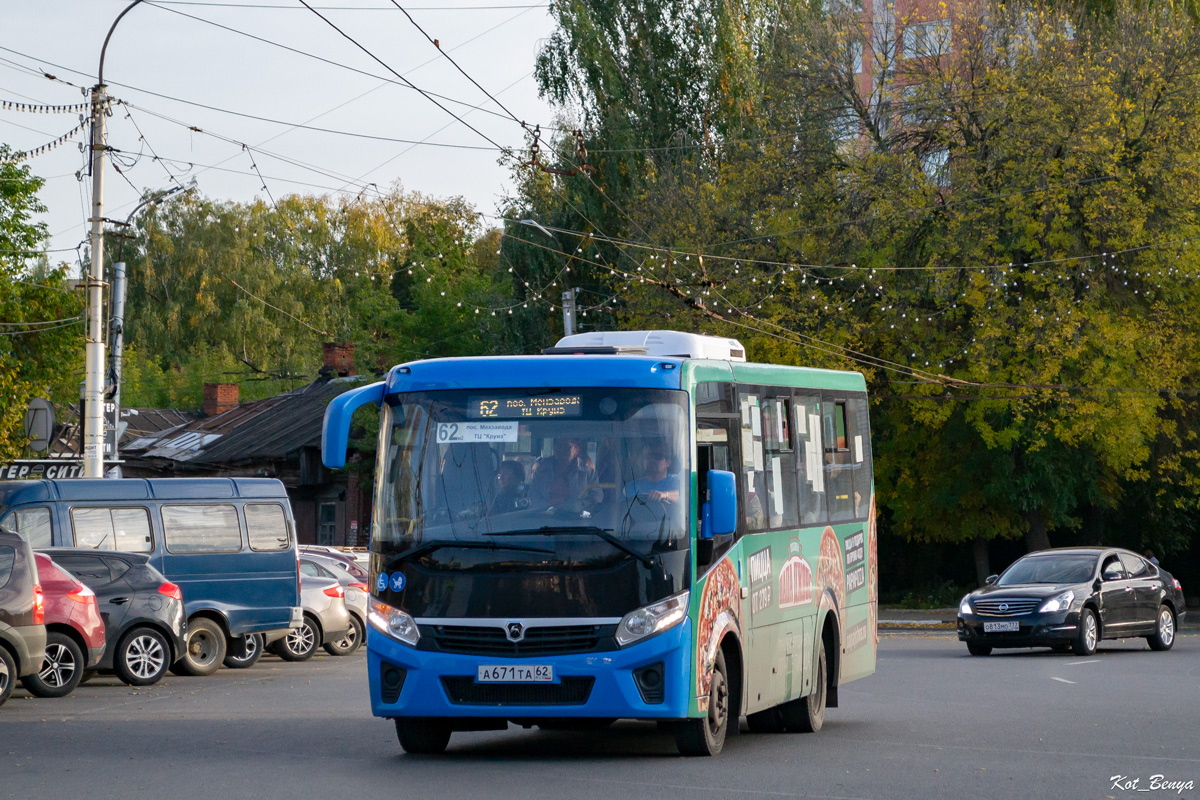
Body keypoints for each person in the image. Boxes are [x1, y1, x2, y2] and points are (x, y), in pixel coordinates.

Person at [528, 438, 599, 509]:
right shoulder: (542, 470)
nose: (562, 450)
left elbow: (596, 499)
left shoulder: (589, 474)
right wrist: (548, 510)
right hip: (543, 517)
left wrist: (575, 507)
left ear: (576, 450)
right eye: (558, 446)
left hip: (577, 519)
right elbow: (533, 494)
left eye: (566, 447)